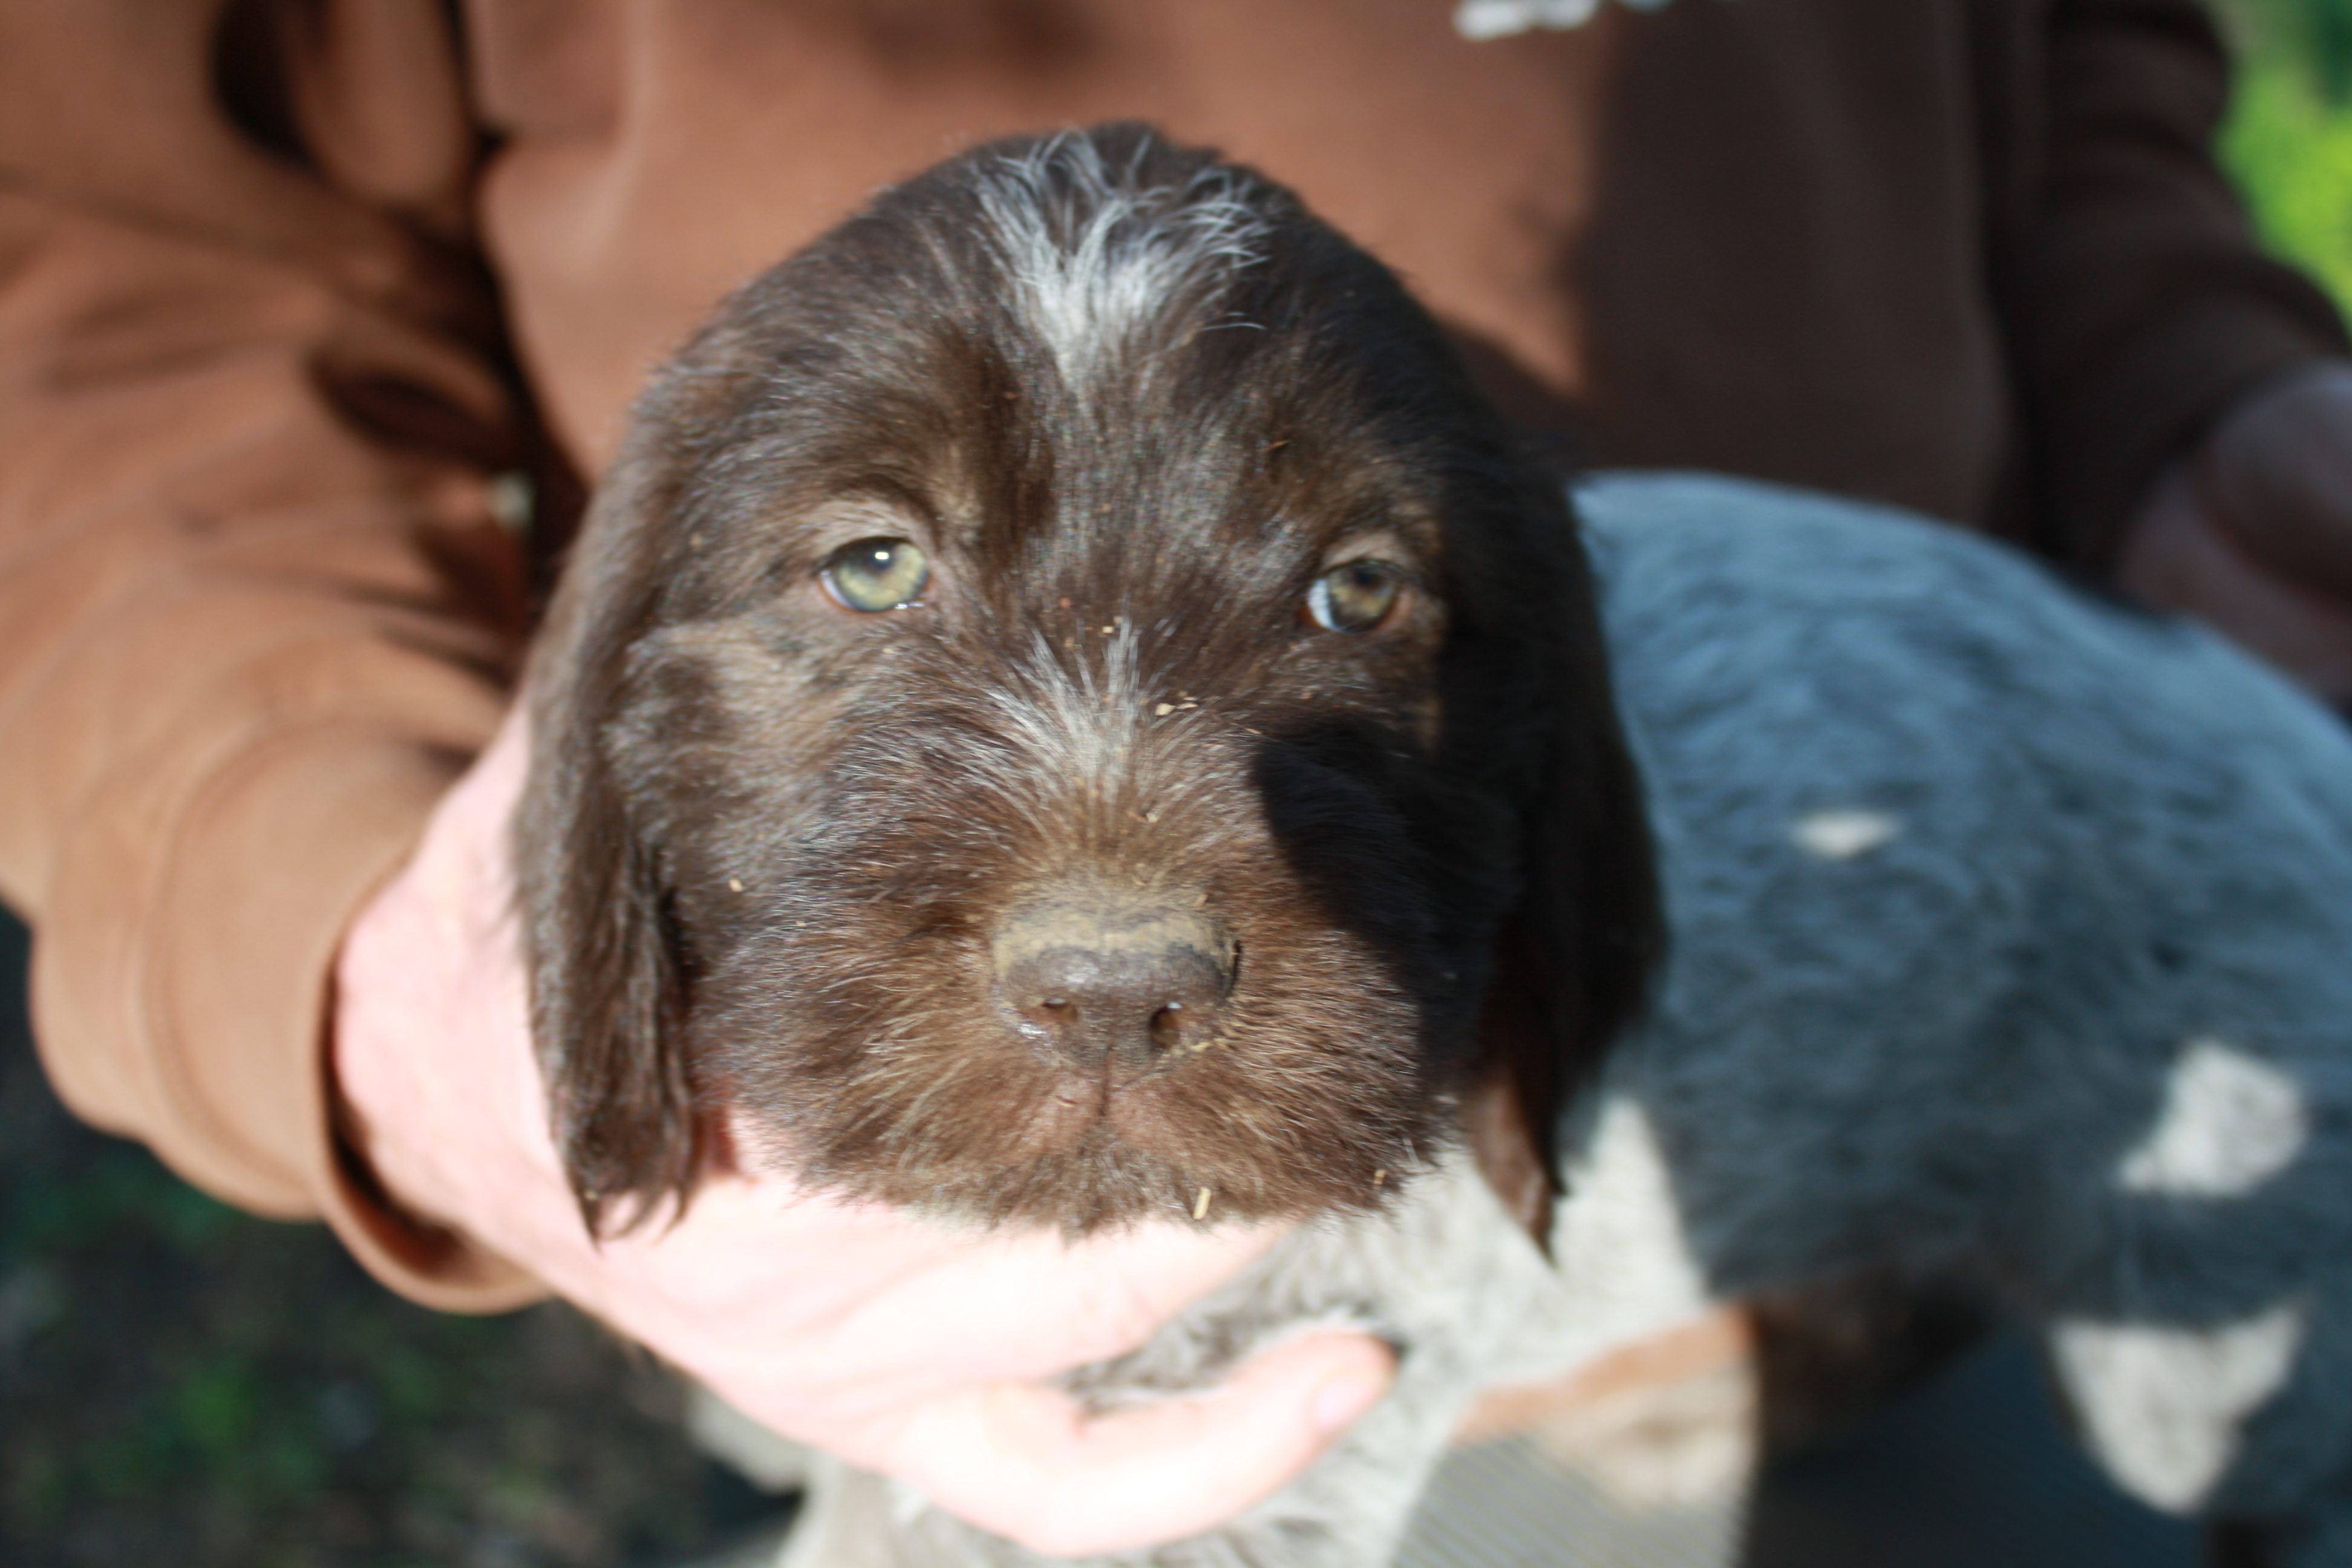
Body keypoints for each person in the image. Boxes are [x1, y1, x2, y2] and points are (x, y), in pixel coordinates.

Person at [2, 0, 2348, 1554]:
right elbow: (105, 271)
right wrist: (319, 892)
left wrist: (2175, 386)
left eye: (1356, 594)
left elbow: (2073, 64)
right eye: (869, 566)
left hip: (1983, 1019)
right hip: (852, 1257)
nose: (1117, 900)